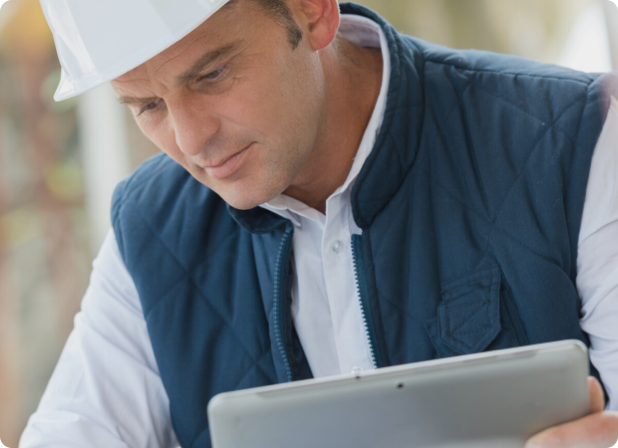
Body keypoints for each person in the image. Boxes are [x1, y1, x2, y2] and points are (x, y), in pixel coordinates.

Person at [20, 0, 618, 446]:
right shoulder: (150, 233)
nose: (191, 140)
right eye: (147, 106)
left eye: (211, 76)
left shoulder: (576, 144)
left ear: (312, 11)